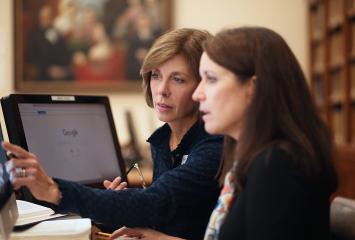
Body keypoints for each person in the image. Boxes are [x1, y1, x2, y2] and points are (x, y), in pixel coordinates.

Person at [108, 26, 338, 240]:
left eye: (211, 79)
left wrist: (74, 195)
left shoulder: (275, 164)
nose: (200, 93)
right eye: (155, 75)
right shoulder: (257, 157)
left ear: (252, 88)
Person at [3, 28, 223, 240]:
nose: (162, 89)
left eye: (178, 79)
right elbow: (168, 214)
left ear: (202, 87)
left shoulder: (214, 145)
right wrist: (115, 205)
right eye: (156, 75)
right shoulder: (164, 139)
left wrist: (54, 190)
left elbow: (158, 202)